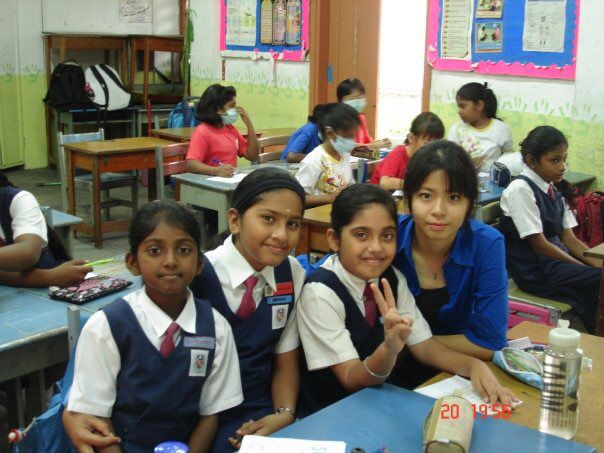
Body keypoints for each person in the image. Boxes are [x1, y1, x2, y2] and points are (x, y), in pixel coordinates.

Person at [297, 184, 517, 410]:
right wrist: (389, 348)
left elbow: (424, 345)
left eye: (387, 236)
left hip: (380, 401)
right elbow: (352, 379)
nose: (376, 247)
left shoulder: (391, 278)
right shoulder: (320, 293)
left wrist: (472, 365)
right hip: (330, 413)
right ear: (334, 240)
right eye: (361, 235)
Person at [62, 200, 243, 452]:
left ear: (200, 263)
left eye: (183, 250)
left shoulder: (216, 328)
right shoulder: (107, 327)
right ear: (132, 262)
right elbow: (95, 421)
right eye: (155, 251)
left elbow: (210, 414)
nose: (170, 261)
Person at [190, 168, 307, 451]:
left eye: (293, 224)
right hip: (194, 414)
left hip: (258, 409)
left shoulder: (290, 273)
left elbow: (285, 360)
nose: (281, 235)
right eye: (268, 219)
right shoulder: (196, 275)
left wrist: (283, 414)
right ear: (235, 220)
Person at [395, 141, 508, 362]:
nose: (439, 211)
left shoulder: (486, 244)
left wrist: (413, 343)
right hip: (384, 369)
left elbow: (491, 342)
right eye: (426, 196)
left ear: (470, 204)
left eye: (453, 197)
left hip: (455, 369)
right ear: (409, 199)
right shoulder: (389, 235)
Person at [500, 126, 601, 333]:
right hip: (535, 272)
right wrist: (583, 268)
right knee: (598, 282)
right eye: (555, 160)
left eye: (564, 159)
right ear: (531, 160)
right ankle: (597, 337)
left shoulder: (554, 188)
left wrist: (597, 263)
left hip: (556, 266)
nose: (562, 166)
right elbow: (540, 245)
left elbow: (570, 239)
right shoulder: (521, 189)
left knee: (599, 278)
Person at [0, 173, 91, 287]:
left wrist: (49, 277)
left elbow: (28, 253)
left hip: (49, 290)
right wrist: (48, 277)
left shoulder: (19, 199)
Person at [186, 84, 259, 177]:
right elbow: (190, 164)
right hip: (210, 183)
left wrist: (249, 125)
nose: (235, 110)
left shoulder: (231, 129)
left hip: (228, 181)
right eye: (231, 106)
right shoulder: (202, 131)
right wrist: (216, 171)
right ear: (217, 109)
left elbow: (253, 156)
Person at [295, 103, 358, 207]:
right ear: (330, 133)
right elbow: (299, 199)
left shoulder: (343, 155)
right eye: (348, 137)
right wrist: (330, 198)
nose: (352, 141)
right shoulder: (314, 160)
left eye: (353, 136)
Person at [447, 82, 513, 173]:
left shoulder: (501, 129)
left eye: (463, 106)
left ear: (479, 105)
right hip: (463, 180)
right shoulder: (456, 130)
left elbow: (509, 160)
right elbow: (449, 161)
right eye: (458, 106)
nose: (459, 111)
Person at [370, 112, 445, 190]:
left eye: (436, 143)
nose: (432, 148)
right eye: (427, 142)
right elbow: (385, 183)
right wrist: (416, 185)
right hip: (377, 197)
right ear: (411, 138)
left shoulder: (426, 159)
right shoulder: (397, 154)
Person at [336, 78, 391, 150]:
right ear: (341, 101)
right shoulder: (337, 119)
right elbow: (345, 146)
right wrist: (373, 146)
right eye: (351, 99)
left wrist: (381, 143)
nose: (356, 101)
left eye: (359, 97)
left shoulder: (361, 118)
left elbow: (367, 142)